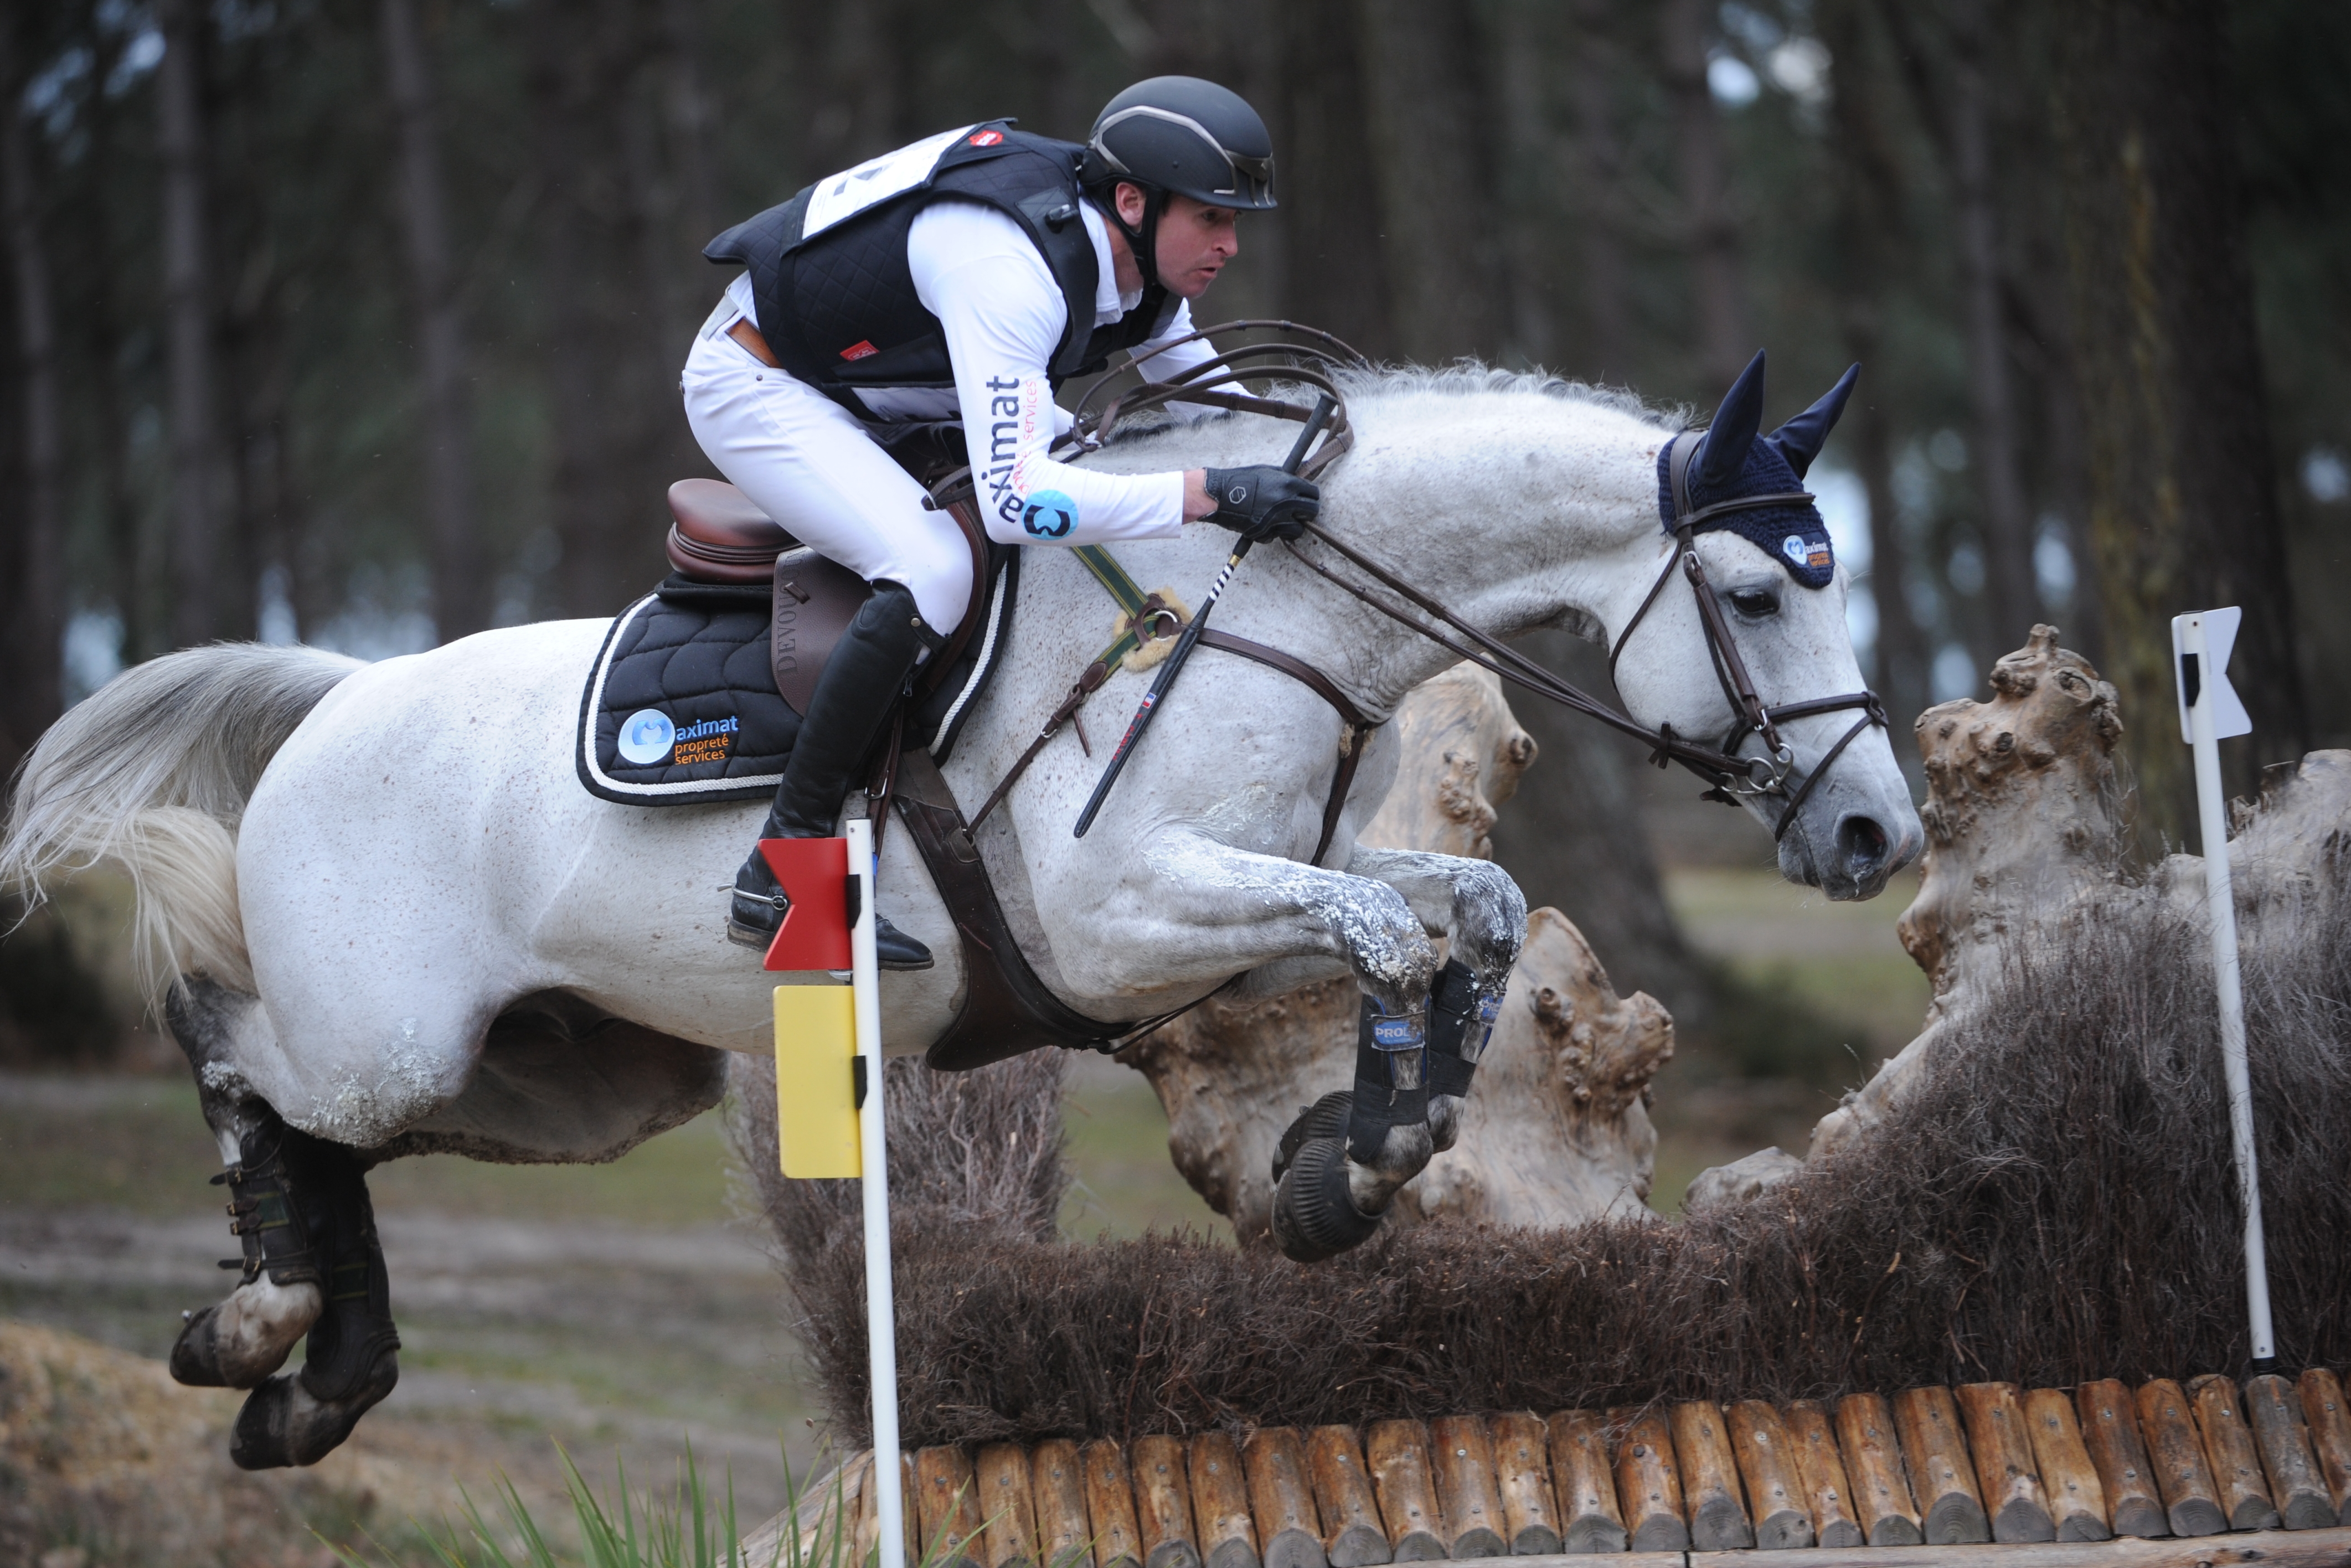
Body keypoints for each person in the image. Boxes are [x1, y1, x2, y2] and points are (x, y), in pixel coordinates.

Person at [688, 76, 1321, 967]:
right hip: (759, 385)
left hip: (882, 389)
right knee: (934, 569)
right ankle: (782, 867)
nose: (1229, 243)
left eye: (1235, 221)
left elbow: (1212, 408)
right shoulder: (1008, 265)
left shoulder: (1136, 260)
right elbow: (1016, 502)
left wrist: (1313, 463)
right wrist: (1210, 493)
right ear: (1133, 203)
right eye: (1211, 219)